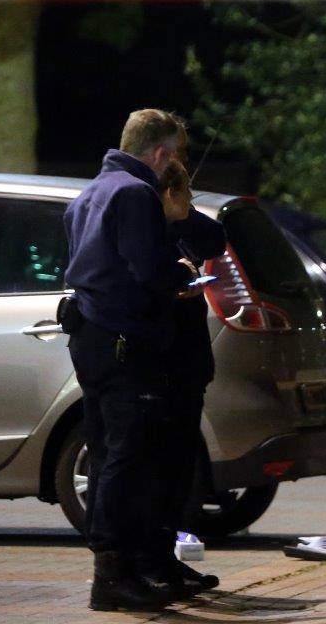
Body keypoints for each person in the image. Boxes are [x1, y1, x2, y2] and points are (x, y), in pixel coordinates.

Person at [63, 109, 197, 611]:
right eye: (176, 154)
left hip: (90, 335)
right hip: (125, 338)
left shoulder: (90, 192)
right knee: (128, 454)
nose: (177, 163)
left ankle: (113, 568)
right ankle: (114, 575)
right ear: (160, 153)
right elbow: (147, 270)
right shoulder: (136, 193)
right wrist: (181, 279)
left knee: (104, 452)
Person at [138, 156, 227, 596]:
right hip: (164, 362)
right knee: (158, 467)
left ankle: (172, 561)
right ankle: (151, 564)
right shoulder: (146, 229)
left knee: (180, 469)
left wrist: (186, 213)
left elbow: (216, 239)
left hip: (189, 363)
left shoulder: (183, 223)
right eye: (185, 194)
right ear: (168, 194)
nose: (191, 202)